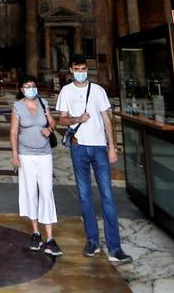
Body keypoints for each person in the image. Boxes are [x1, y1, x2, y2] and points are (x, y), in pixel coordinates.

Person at [54, 53, 132, 263]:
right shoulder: (66, 91)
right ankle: (93, 241)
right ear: (70, 70)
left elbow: (108, 120)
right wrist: (77, 119)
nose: (80, 73)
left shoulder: (98, 91)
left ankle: (115, 247)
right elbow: (61, 119)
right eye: (76, 69)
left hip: (99, 148)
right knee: (85, 196)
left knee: (107, 196)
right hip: (78, 148)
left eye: (83, 69)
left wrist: (112, 147)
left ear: (86, 69)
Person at [10, 75, 61, 256]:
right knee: (30, 192)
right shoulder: (17, 107)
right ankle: (35, 232)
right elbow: (14, 131)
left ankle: (50, 238)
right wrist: (15, 155)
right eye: (27, 85)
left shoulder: (43, 103)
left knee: (46, 192)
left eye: (33, 85)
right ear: (22, 89)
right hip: (26, 155)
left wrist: (50, 128)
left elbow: (53, 123)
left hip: (44, 154)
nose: (30, 88)